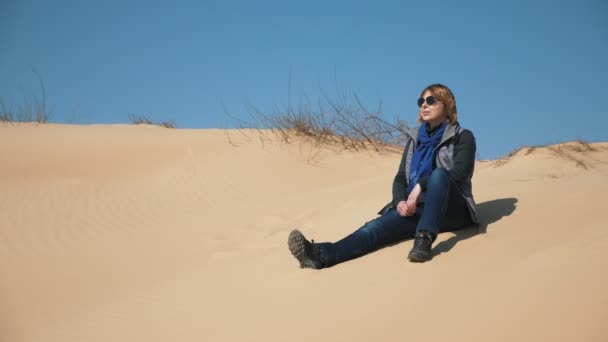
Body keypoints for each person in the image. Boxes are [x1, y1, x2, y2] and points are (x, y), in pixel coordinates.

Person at [287, 83, 479, 268]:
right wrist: (399, 201)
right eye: (421, 101)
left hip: (453, 210)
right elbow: (400, 179)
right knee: (374, 228)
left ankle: (424, 239)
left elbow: (460, 173)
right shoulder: (415, 140)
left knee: (439, 175)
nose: (424, 105)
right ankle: (321, 255)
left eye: (431, 100)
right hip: (419, 209)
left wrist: (421, 184)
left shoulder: (462, 137)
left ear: (447, 105)